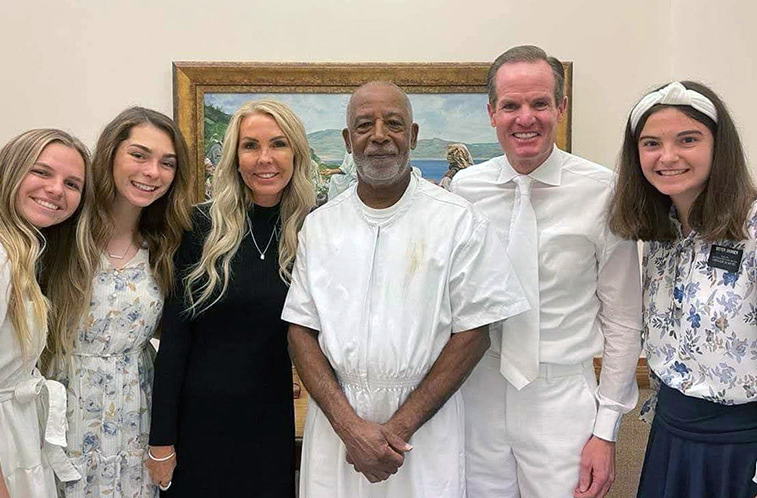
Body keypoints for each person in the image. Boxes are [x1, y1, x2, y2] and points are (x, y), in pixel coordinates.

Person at [283, 81, 528, 498]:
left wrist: (395, 431)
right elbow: (300, 330)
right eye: (364, 125)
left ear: (412, 135)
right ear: (348, 139)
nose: (379, 135)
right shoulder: (321, 226)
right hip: (338, 428)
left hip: (422, 427)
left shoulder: (457, 221)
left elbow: (473, 335)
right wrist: (350, 428)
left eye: (393, 123)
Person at [450, 45, 643, 498]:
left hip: (561, 397)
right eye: (511, 106)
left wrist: (607, 429)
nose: (525, 118)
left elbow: (622, 317)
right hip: (478, 391)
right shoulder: (464, 190)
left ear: (560, 107)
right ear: (491, 113)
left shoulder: (602, 191)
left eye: (539, 103)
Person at [147, 99, 315, 497]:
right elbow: (175, 342)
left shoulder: (314, 231)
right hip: (198, 424)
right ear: (234, 158)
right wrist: (161, 441)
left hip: (271, 422)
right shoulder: (197, 228)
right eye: (250, 146)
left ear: (296, 153)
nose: (265, 159)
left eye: (278, 144)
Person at [609, 81, 757, 498]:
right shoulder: (661, 238)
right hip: (670, 436)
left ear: (718, 146)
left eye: (688, 140)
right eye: (651, 143)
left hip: (740, 447)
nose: (667, 156)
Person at [42, 107, 193, 498]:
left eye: (167, 163)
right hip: (63, 407)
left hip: (137, 409)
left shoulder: (168, 245)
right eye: (139, 155)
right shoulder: (61, 233)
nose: (152, 171)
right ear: (111, 154)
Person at [0, 129, 91, 498]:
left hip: (11, 434)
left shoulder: (14, 250)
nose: (56, 190)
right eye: (42, 172)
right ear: (9, 170)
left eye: (72, 183)